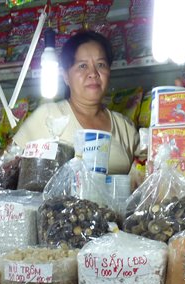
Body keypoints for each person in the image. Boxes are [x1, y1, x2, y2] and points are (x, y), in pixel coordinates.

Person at [12, 30, 139, 176]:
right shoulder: (48, 116)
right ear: (66, 76)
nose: (93, 73)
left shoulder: (124, 127)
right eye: (82, 66)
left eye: (101, 64)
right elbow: (7, 165)